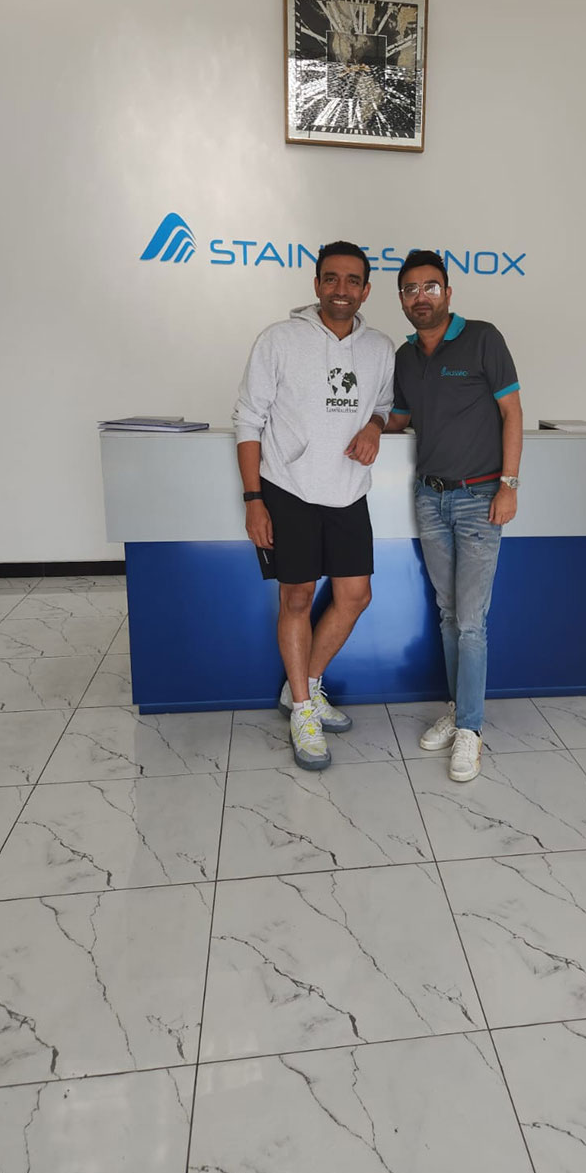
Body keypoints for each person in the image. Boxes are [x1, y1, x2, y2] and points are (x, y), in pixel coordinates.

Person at [233, 241, 394, 771]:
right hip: (290, 489)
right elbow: (248, 420)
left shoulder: (380, 348)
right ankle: (303, 709)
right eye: (331, 279)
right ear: (317, 284)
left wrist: (373, 425)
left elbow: (386, 407)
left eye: (352, 281)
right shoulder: (278, 340)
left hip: (349, 491)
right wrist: (254, 500)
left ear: (366, 289)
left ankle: (304, 685)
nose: (341, 289)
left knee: (355, 596)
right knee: (297, 598)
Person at [385, 250, 523, 782]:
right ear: (402, 299)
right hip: (430, 497)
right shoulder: (404, 356)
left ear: (448, 292)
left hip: (480, 497)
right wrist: (372, 431)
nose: (421, 297)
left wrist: (508, 486)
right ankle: (457, 709)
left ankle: (471, 729)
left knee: (470, 621)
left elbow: (512, 412)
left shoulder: (484, 337)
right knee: (447, 613)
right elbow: (400, 417)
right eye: (411, 289)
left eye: (431, 287)